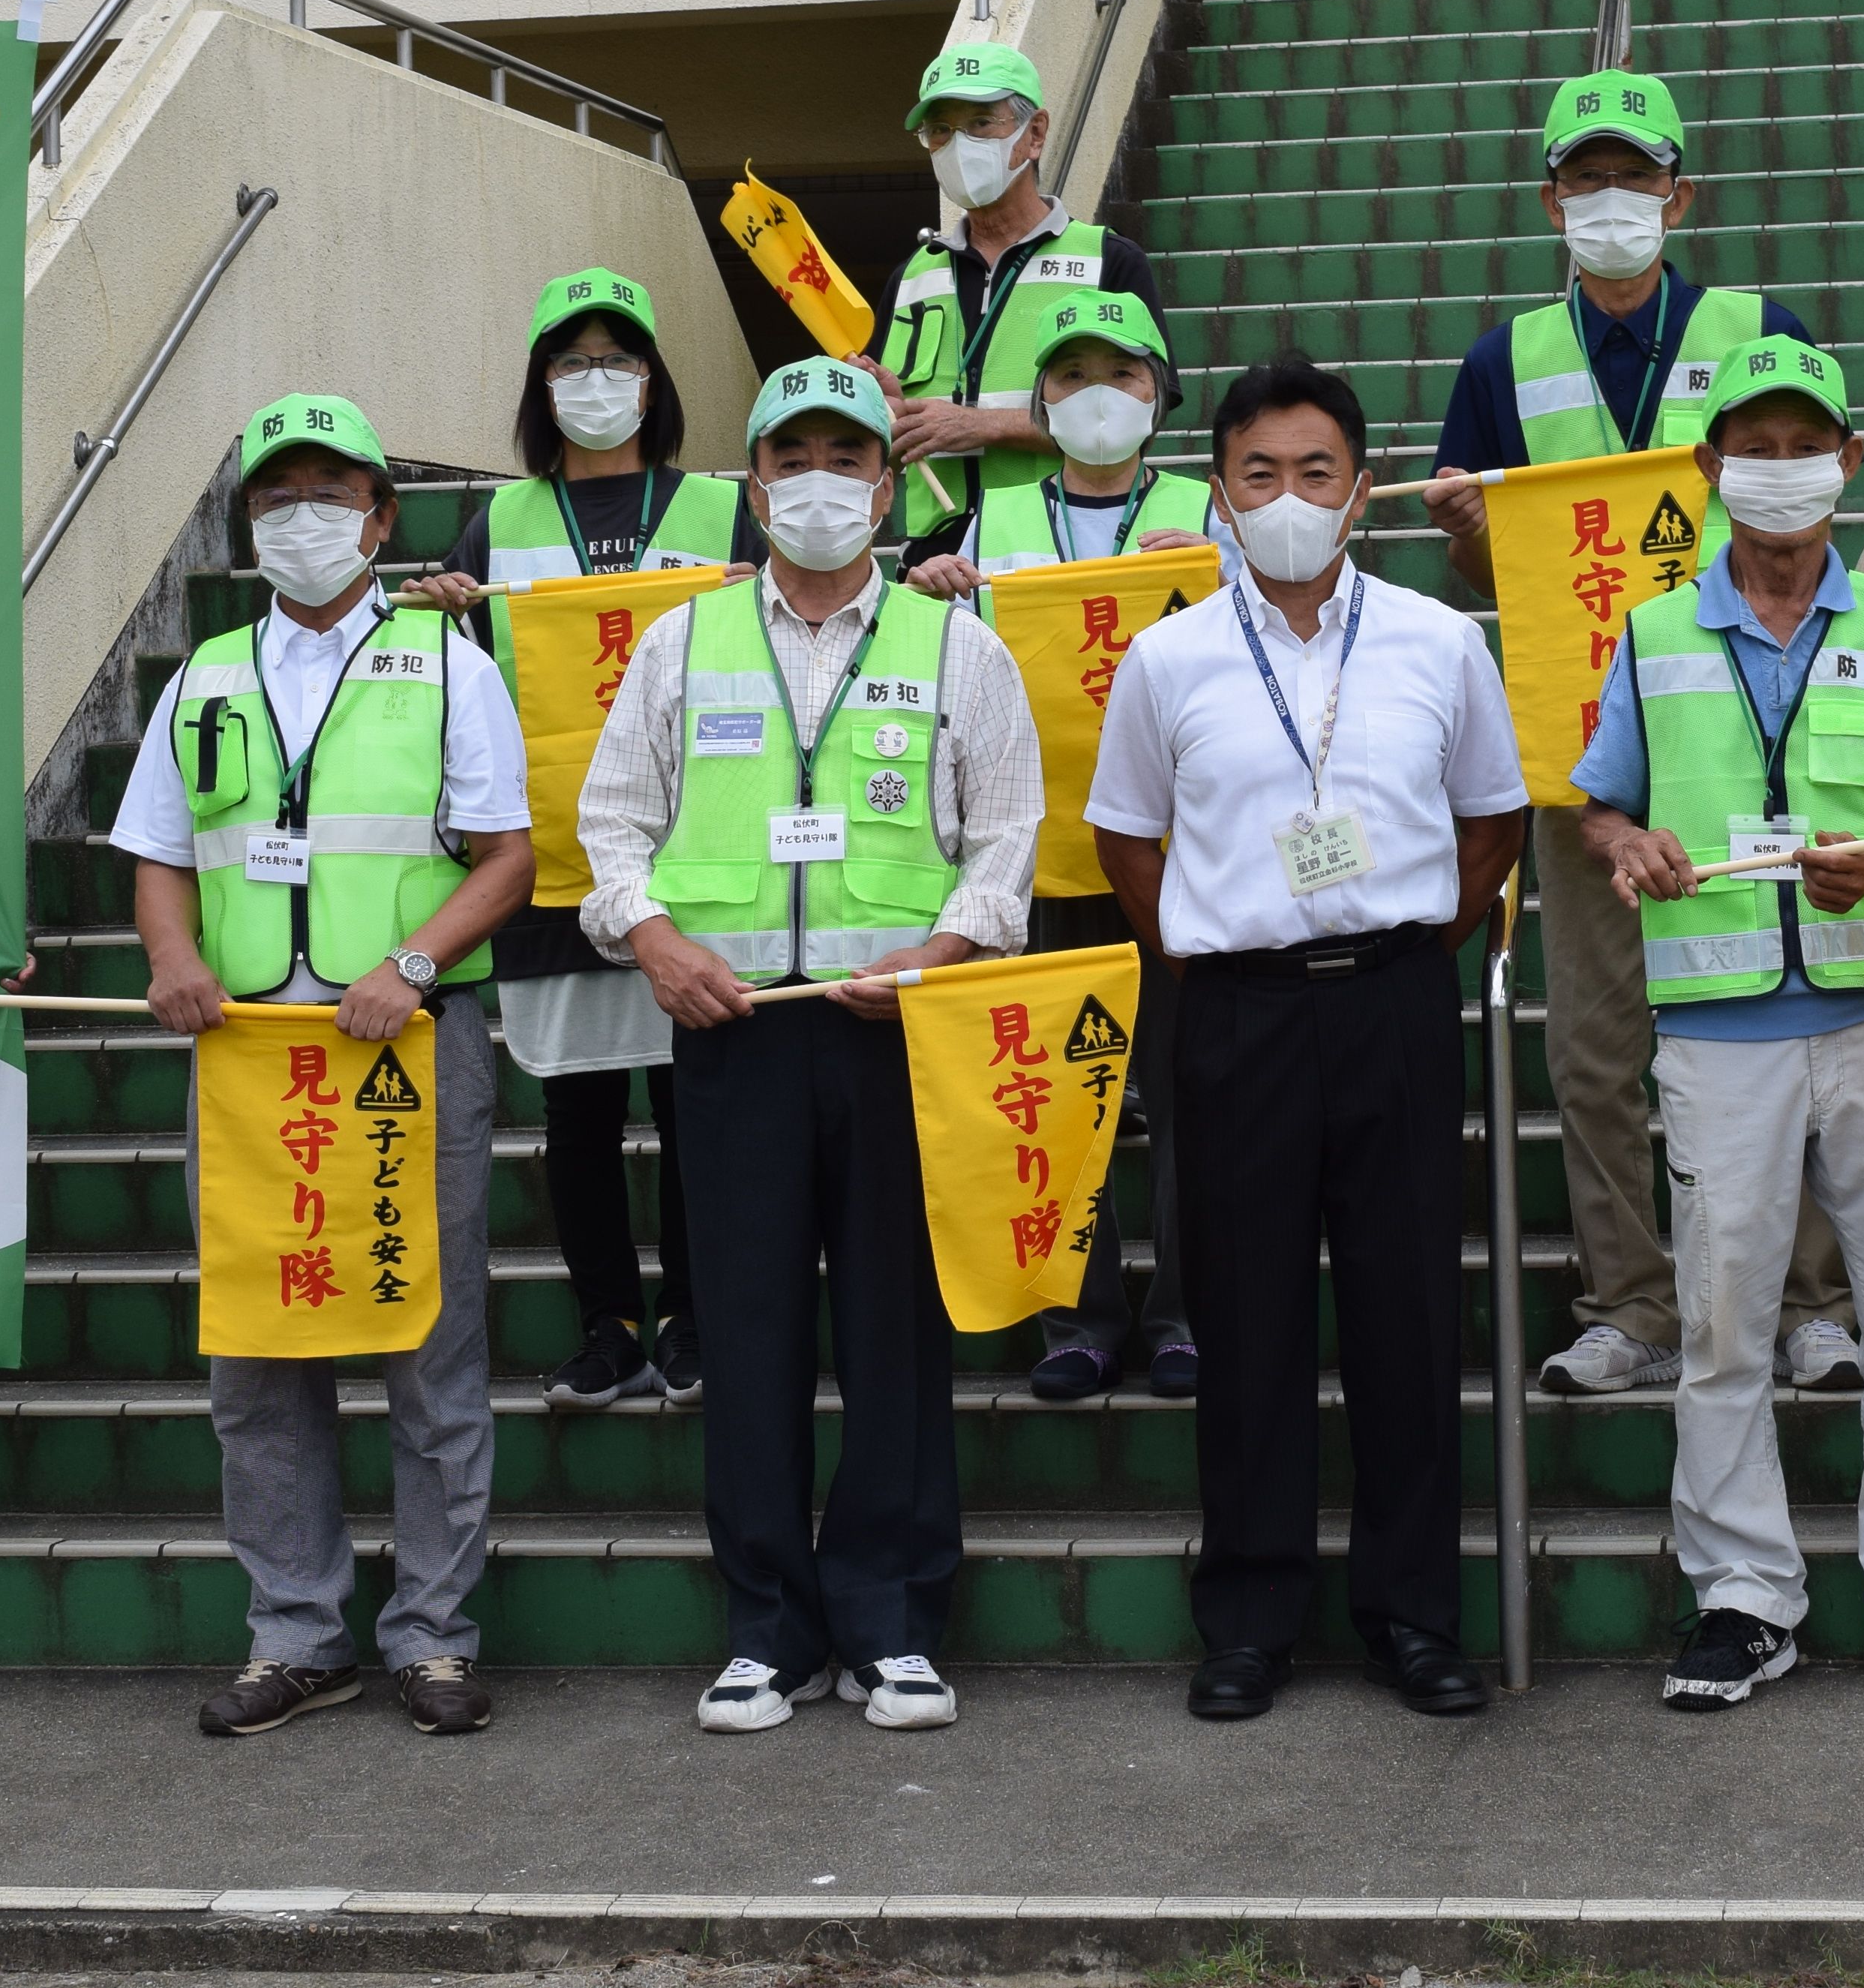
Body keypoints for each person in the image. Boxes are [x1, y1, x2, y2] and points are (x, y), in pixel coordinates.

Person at [579, 355, 1046, 1736]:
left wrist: (948, 952)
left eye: (850, 459)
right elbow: (610, 827)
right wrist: (654, 940)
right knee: (752, 1329)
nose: (823, 484)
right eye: (796, 460)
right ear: (756, 483)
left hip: (900, 1034)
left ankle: (893, 1620)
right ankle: (769, 1630)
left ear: (889, 487)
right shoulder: (680, 642)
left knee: (897, 1332)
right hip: (733, 1037)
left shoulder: (958, 645)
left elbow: (1007, 841)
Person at [1569, 341, 1864, 1712]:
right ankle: (1742, 1598)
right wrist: (1627, 842)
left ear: (1852, 464)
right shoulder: (1655, 632)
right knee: (1722, 1317)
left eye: (1805, 445)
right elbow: (1601, 801)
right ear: (1709, 471)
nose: (1780, 471)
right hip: (1719, 1033)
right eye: (1752, 447)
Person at [1089, 354, 1531, 1724]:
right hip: (1237, 1018)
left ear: (1362, 488)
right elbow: (1126, 835)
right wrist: (1221, 940)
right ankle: (1251, 1616)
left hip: (1396, 1002)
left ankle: (1414, 1616)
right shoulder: (1166, 658)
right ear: (1220, 490)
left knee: (1407, 1313)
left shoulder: (1438, 640)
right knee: (1250, 1317)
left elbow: (1494, 819)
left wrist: (1407, 947)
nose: (1290, 497)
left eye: (1317, 472)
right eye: (1261, 474)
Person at [1415, 67, 1853, 1404]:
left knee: (1791, 1016)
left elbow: (1804, 503)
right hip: (1582, 750)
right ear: (1552, 197)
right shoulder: (1502, 361)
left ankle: (1811, 1300)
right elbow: (1479, 586)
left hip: (1748, 730)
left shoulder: (1755, 328)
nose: (1613, 201)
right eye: (1587, 178)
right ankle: (1631, 1302)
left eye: (1636, 175)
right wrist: (1472, 541)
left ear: (1681, 191)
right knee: (1599, 1047)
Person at [121, 392, 533, 1739]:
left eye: (329, 493)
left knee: (427, 1342)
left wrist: (408, 966)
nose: (303, 517)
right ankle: (296, 1633)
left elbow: (507, 861)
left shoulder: (449, 662)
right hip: (248, 1057)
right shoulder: (205, 675)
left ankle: (432, 1634)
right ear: (250, 522)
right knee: (259, 1353)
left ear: (381, 514)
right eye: (276, 497)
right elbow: (162, 856)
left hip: (405, 1047)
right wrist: (174, 961)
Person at [409, 266, 761, 1412]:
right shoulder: (500, 523)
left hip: (699, 852)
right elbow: (455, 685)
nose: (595, 382)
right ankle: (606, 1322)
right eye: (571, 363)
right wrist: (445, 612)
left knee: (695, 1097)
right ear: (539, 386)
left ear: (655, 381)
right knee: (580, 1108)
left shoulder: (720, 507)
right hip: (553, 860)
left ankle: (699, 1319)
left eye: (618, 360)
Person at [904, 286, 1214, 1401]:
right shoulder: (992, 523)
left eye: (1124, 376)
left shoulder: (1211, 510)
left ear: (1161, 396)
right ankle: (1076, 1320)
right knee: (1058, 1098)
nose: (1098, 397)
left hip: (1184, 858)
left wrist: (1233, 577)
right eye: (1075, 376)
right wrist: (932, 592)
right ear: (1040, 399)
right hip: (1036, 857)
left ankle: (1186, 1313)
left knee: (1190, 1097)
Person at [873, 41, 1171, 539]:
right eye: (941, 130)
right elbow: (876, 452)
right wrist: (883, 416)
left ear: (1035, 134)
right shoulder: (911, 277)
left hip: (1060, 542)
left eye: (980, 124)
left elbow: (1142, 417)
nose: (958, 144)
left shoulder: (1109, 261)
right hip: (936, 556)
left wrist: (983, 425)